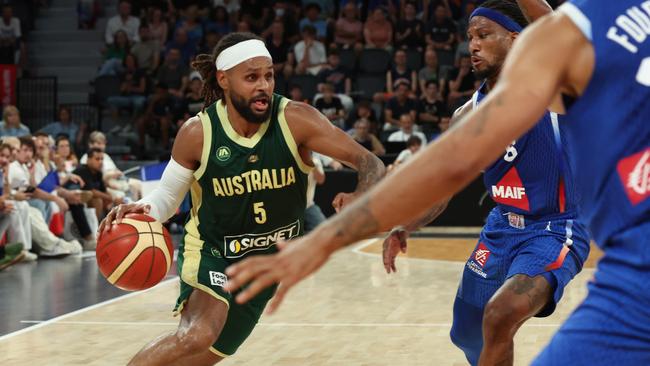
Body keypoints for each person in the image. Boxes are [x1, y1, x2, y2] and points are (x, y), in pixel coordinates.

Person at [224, 1, 650, 365]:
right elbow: (441, 182)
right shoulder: (472, 113)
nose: (473, 45)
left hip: (557, 228)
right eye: (470, 36)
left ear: (520, 40)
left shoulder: (559, 88)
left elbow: (548, 22)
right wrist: (402, 225)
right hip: (502, 227)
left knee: (501, 314)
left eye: (484, 34)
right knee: (467, 331)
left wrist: (322, 241)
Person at [99, 32, 385, 365]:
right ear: (224, 79)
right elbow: (167, 196)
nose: (263, 85)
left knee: (201, 356)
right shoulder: (198, 133)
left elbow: (370, 162)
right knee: (197, 334)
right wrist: (144, 209)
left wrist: (361, 194)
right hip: (214, 251)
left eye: (268, 75)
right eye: (251, 77)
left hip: (267, 265)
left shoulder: (296, 119)